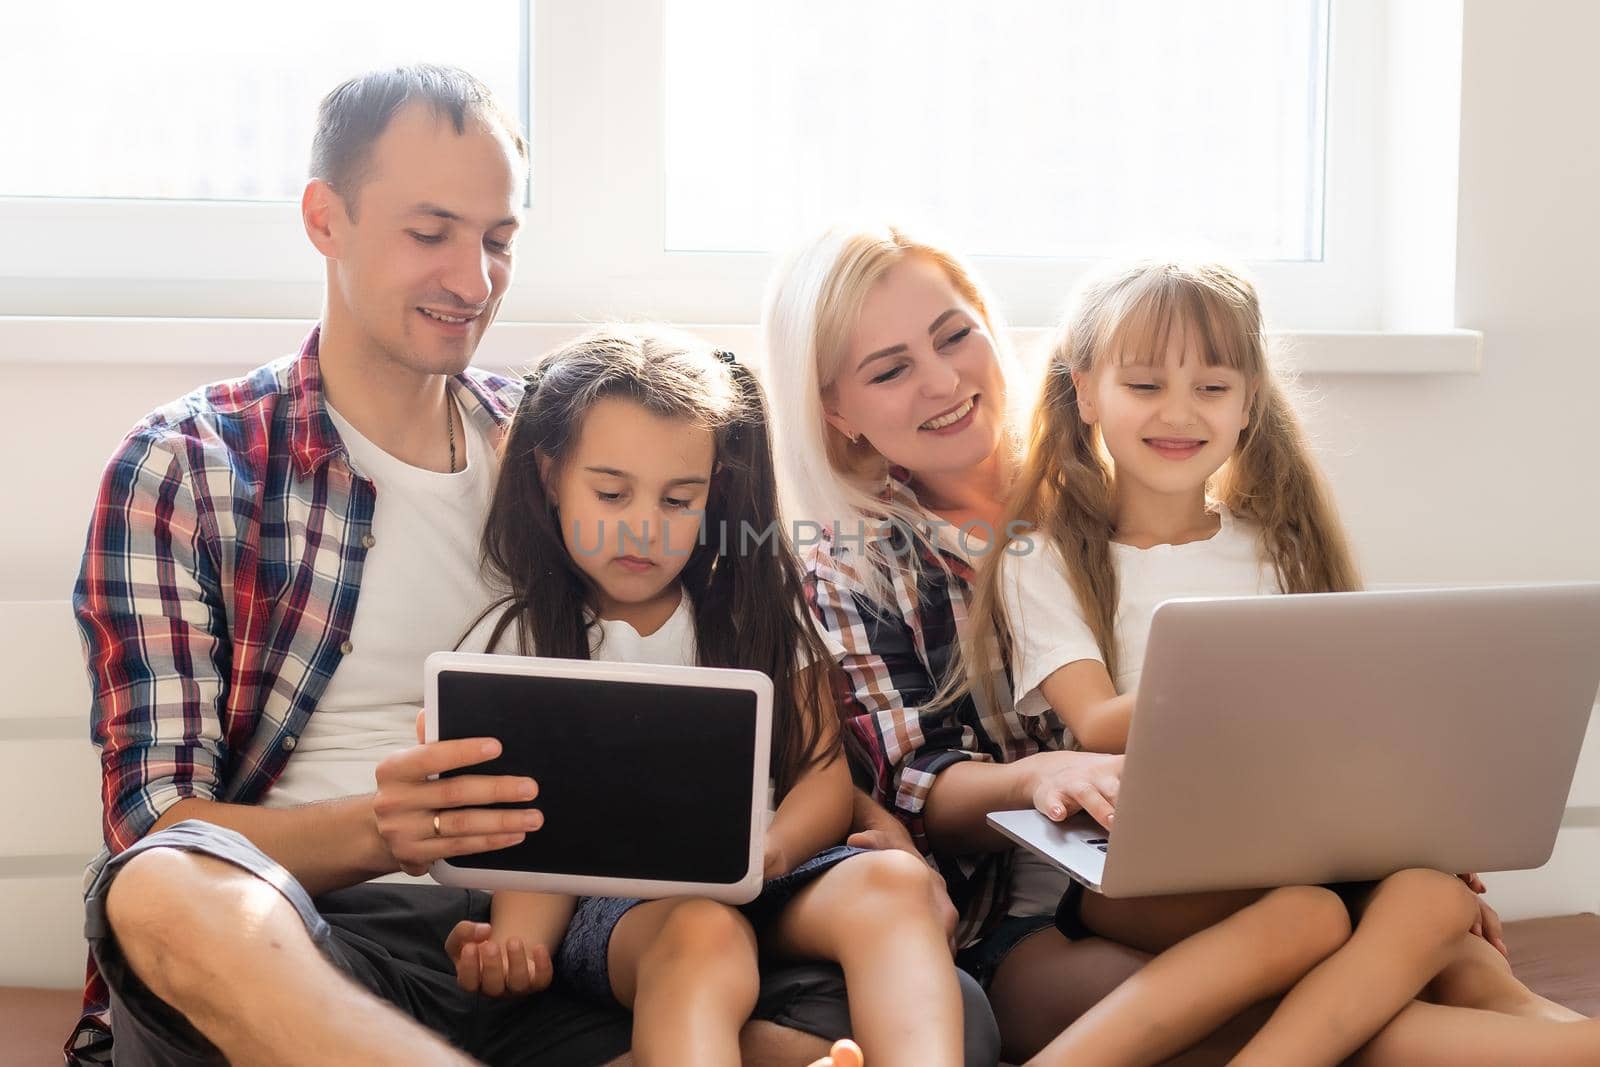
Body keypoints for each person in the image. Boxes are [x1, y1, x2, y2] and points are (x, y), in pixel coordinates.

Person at [67, 66, 889, 1066]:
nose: (473, 279)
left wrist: (844, 806)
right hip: (322, 942)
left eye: (498, 240)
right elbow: (159, 819)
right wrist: (386, 827)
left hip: (568, 947)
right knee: (156, 889)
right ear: (326, 219)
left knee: (915, 984)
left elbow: (753, 639)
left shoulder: (571, 445)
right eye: (431, 233)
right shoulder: (193, 465)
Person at [967, 257, 1576, 1065]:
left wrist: (1422, 820)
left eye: (1212, 388)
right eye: (1145, 385)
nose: (1179, 411)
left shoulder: (1277, 550)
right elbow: (1096, 723)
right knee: (1318, 917)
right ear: (1085, 392)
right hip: (1122, 878)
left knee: (1430, 899)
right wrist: (1276, 695)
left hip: (1298, 854)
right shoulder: (1044, 555)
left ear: (1249, 399)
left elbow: (1357, 734)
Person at [449, 326, 969, 1067]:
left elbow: (822, 778)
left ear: (714, 495)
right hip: (622, 910)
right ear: (548, 474)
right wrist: (517, 944)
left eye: (677, 499)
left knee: (894, 881)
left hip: (769, 868)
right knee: (701, 928)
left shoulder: (752, 616)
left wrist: (769, 850)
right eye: (610, 492)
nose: (643, 526)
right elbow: (528, 830)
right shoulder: (520, 639)